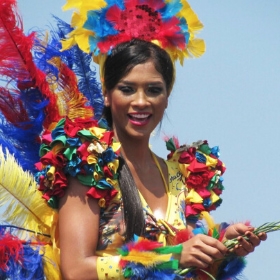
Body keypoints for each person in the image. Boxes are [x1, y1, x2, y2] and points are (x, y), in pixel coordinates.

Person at [0, 0, 268, 279]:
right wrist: (172, 257)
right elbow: (76, 270)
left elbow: (186, 268)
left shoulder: (183, 177)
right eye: (127, 89)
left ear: (166, 97)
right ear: (107, 94)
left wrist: (222, 248)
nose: (141, 102)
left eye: (153, 90)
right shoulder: (90, 166)